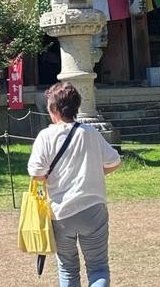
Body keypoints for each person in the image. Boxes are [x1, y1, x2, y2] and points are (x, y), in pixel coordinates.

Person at [27, 83, 121, 287]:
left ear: (53, 109)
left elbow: (36, 175)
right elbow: (115, 161)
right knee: (98, 267)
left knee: (68, 268)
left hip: (61, 212)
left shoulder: (45, 137)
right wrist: (96, 171)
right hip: (93, 208)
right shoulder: (91, 132)